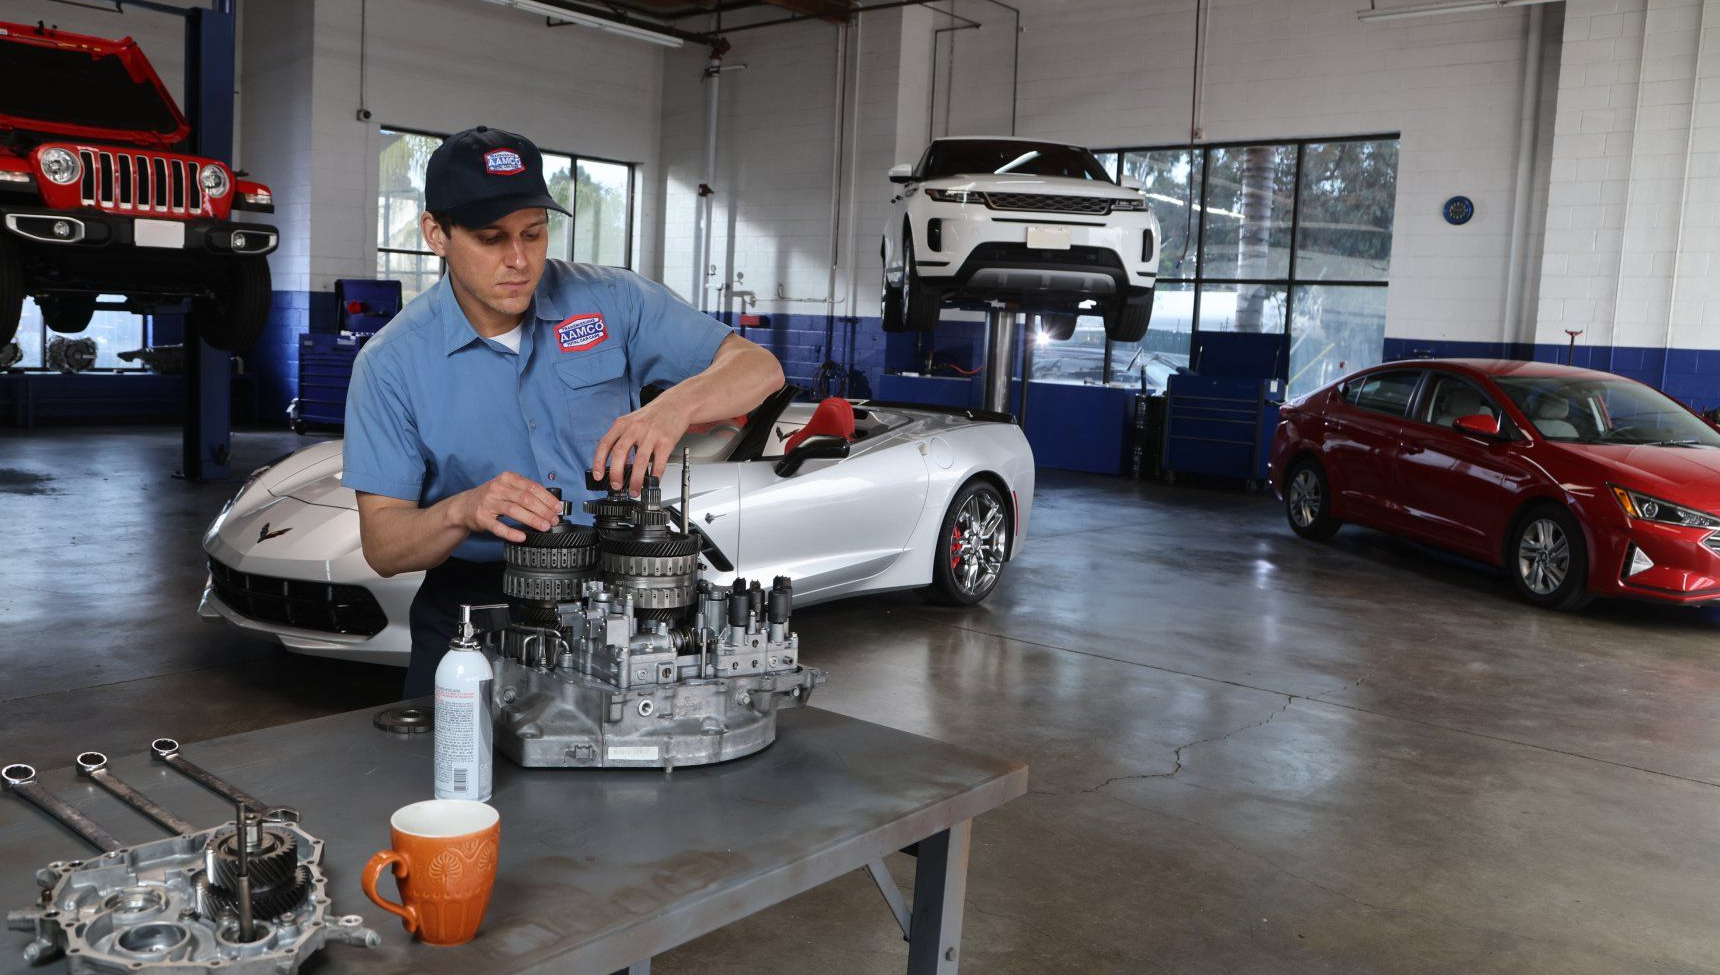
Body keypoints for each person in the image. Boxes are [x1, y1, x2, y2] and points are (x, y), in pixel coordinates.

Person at [343, 126, 784, 697]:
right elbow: (383, 546)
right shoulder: (391, 365)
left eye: (534, 232)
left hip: (622, 601)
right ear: (436, 234)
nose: (519, 259)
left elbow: (760, 369)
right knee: (454, 772)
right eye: (490, 237)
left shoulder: (612, 301)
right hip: (475, 611)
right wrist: (463, 510)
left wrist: (676, 405)